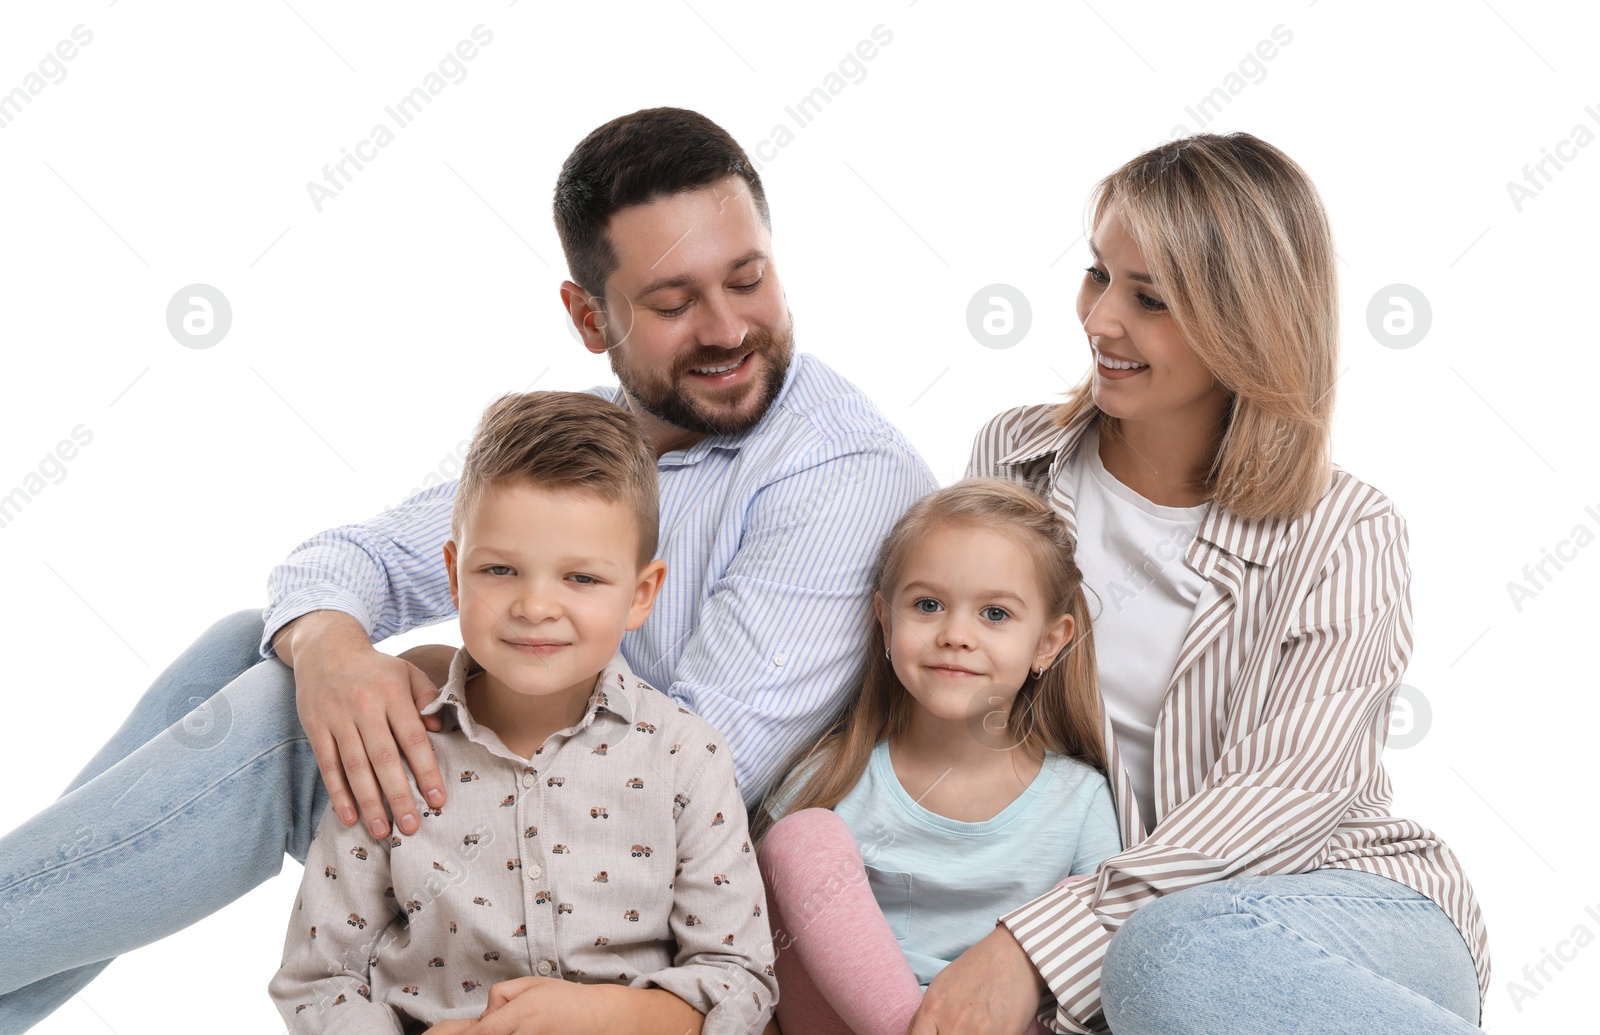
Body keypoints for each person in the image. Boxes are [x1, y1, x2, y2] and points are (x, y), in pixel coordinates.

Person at [0, 107, 933, 1031]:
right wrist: (330, 645)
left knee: (283, 723)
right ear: (587, 316)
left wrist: (448, 677)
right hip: (524, 820)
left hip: (643, 895)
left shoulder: (840, 472)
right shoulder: (595, 445)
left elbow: (690, 763)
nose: (729, 329)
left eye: (748, 278)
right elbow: (343, 560)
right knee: (262, 646)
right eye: (673, 303)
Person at [908, 133, 1489, 1035]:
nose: (1100, 320)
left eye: (1150, 299)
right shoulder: (1011, 465)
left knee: (1169, 952)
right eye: (1099, 275)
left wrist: (1037, 943)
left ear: (1244, 322)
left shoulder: (1346, 531)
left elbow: (1286, 795)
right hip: (1126, 952)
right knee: (1147, 961)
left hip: (1338, 907)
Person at [270, 390, 776, 1035]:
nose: (536, 607)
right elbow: (318, 980)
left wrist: (604, 1015)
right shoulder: (394, 745)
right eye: (502, 569)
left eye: (582, 579)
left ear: (641, 594)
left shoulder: (685, 756)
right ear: (455, 576)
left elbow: (740, 982)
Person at [755, 479, 1121, 1035]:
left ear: (1049, 642)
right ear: (886, 619)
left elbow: (1098, 952)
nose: (956, 634)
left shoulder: (1080, 798)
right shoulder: (832, 776)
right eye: (928, 605)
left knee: (1098, 904)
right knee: (800, 839)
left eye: (995, 614)